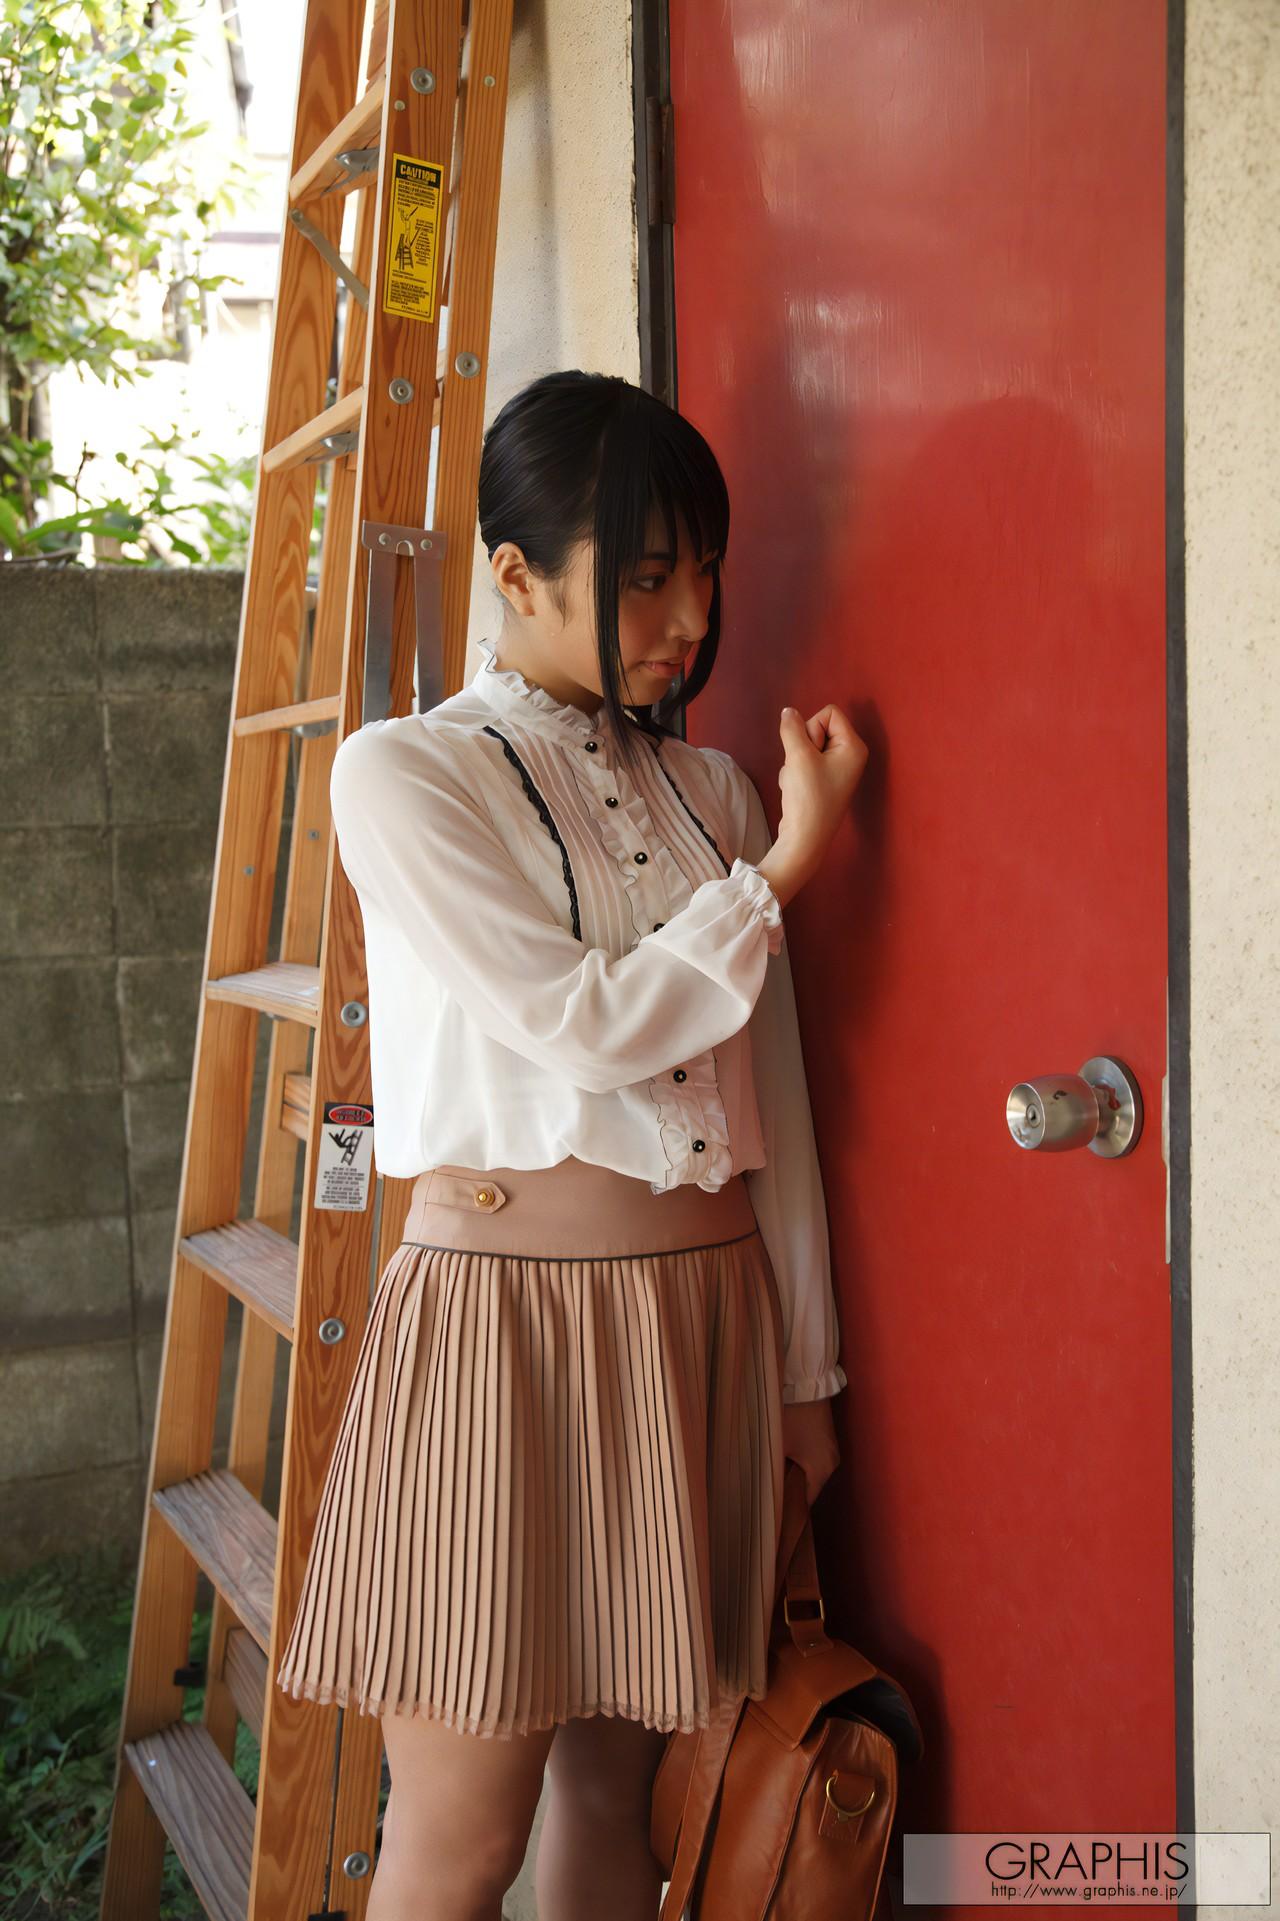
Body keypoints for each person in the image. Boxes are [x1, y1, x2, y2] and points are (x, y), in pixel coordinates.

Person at [275, 370, 868, 1920]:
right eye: (648, 574)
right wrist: (782, 872)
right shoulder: (404, 773)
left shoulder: (714, 789)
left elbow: (772, 1111)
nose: (692, 617)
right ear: (516, 574)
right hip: (500, 1334)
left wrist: (805, 1377)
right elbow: (582, 1023)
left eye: (705, 571)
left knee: (622, 1808)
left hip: (698, 1324)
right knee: (462, 1832)